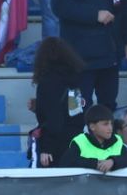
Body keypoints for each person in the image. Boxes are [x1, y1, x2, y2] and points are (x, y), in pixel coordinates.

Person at [30, 35, 86, 167]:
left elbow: (53, 118)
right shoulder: (75, 80)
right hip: (76, 141)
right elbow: (74, 112)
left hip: (55, 145)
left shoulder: (48, 82)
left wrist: (47, 147)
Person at [57, 104, 127, 173]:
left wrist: (113, 162)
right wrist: (97, 164)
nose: (110, 128)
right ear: (92, 127)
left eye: (111, 123)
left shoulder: (117, 140)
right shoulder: (80, 142)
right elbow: (66, 163)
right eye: (105, 124)